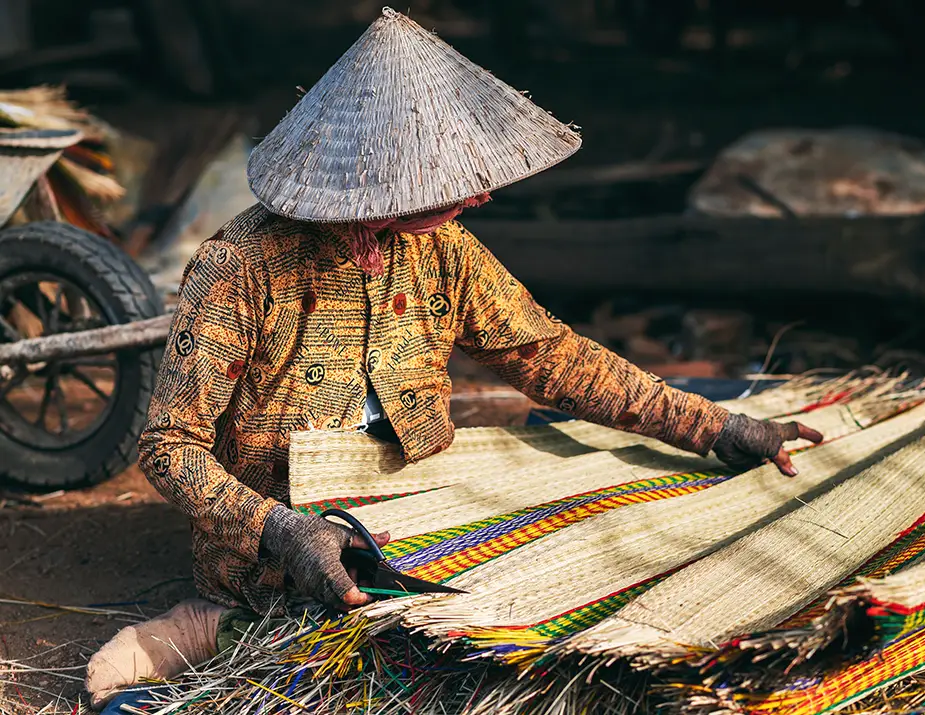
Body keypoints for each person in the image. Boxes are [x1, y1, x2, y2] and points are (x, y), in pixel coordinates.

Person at [85, 8, 821, 708]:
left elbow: (556, 357)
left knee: (532, 626)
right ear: (371, 190)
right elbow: (169, 447)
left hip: (414, 512)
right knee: (366, 657)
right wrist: (280, 529)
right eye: (444, 183)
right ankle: (217, 623)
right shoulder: (239, 268)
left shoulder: (443, 253)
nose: (478, 195)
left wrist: (715, 427)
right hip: (283, 542)